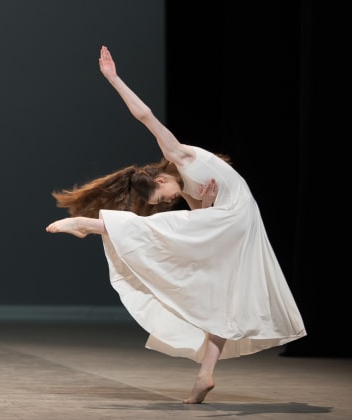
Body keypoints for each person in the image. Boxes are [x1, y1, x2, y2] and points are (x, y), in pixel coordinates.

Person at [46, 46, 306, 404]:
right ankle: (205, 375)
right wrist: (208, 205)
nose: (167, 201)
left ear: (162, 179)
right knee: (222, 297)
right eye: (163, 203)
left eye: (162, 197)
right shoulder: (192, 191)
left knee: (156, 229)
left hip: (235, 219)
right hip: (240, 221)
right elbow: (201, 220)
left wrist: (114, 79)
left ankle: (87, 224)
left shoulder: (179, 156)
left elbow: (146, 115)